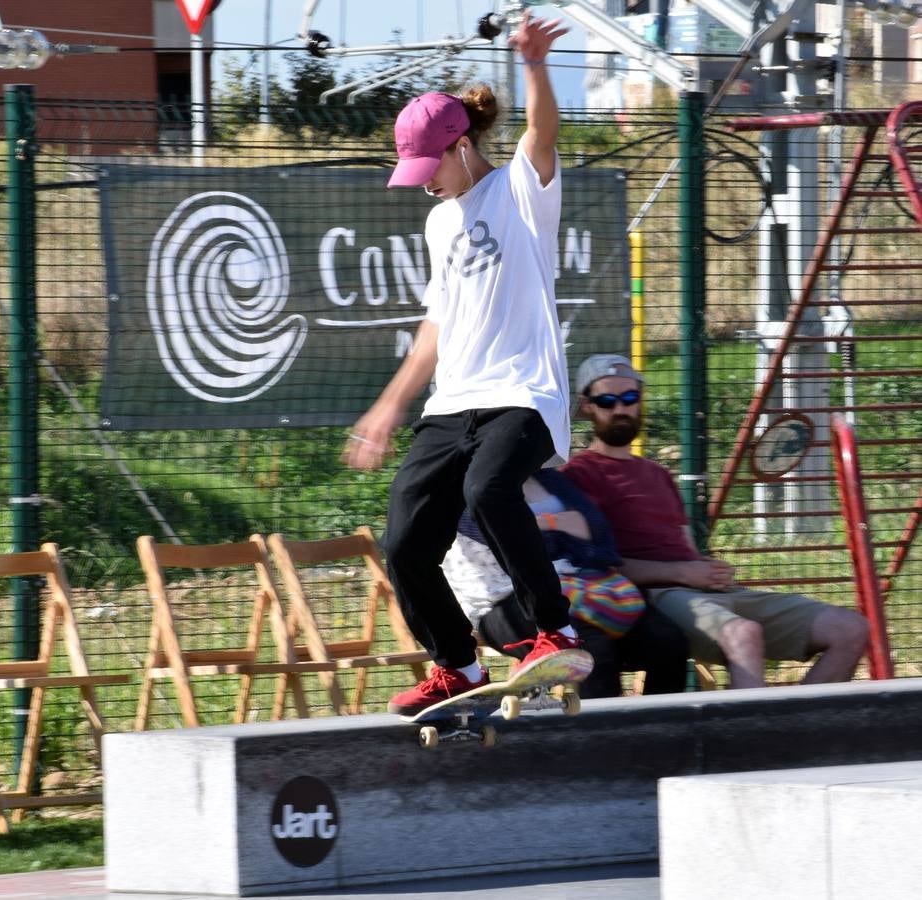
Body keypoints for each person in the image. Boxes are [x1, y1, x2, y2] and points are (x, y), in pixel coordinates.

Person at [343, 12, 588, 716]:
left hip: (524, 394)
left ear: (461, 145)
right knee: (406, 538)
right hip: (453, 403)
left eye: (431, 168)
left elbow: (543, 132)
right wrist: (390, 406)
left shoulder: (519, 191)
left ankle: (553, 629)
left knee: (489, 491)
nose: (425, 185)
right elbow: (438, 324)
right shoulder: (438, 221)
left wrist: (535, 66)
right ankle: (457, 664)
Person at [561, 353, 870, 689]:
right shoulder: (579, 474)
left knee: (851, 628)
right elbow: (592, 568)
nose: (621, 408)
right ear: (588, 406)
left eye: (630, 397)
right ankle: (750, 740)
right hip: (651, 598)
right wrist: (683, 573)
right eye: (607, 400)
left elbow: (686, 550)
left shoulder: (657, 473)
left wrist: (706, 570)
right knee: (744, 634)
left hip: (704, 591)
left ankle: (797, 732)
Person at [442, 467, 690, 698]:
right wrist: (558, 524)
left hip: (576, 586)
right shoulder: (463, 484)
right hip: (505, 601)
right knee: (593, 653)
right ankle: (607, 740)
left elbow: (597, 536)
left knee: (669, 642)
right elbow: (498, 537)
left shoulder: (550, 477)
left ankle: (658, 732)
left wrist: (539, 529)